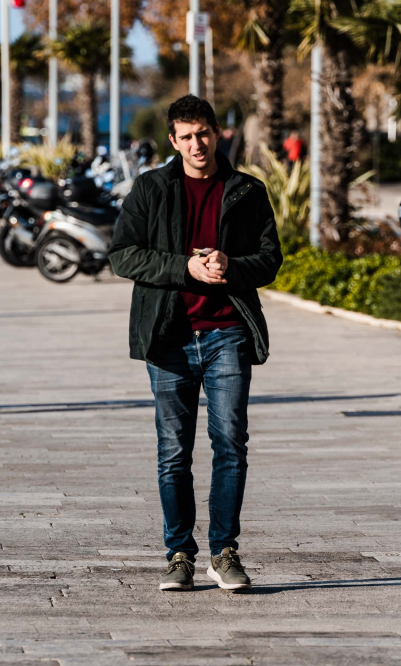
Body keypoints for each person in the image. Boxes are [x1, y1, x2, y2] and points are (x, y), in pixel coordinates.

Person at [108, 95, 283, 592]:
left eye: (203, 133)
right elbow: (122, 255)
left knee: (230, 444)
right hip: (169, 335)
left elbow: (270, 259)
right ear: (173, 140)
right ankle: (179, 555)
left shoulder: (246, 190)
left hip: (228, 332)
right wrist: (183, 267)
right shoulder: (151, 188)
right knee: (173, 452)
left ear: (216, 132)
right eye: (185, 136)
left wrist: (231, 265)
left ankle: (224, 552)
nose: (196, 144)